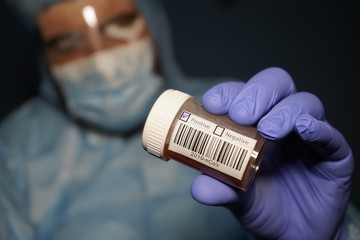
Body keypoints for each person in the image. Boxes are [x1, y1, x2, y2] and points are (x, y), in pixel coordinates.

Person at [0, 0, 358, 240]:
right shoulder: (15, 149)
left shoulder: (227, 107)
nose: (102, 62)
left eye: (120, 27)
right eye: (68, 45)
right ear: (45, 60)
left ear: (152, 23)